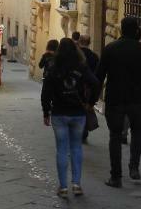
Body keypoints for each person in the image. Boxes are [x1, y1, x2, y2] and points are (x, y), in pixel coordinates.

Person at [96, 16, 141, 188]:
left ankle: (116, 176)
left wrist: (92, 99)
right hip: (137, 100)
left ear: (121, 30)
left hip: (115, 99)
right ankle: (134, 167)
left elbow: (99, 75)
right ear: (137, 30)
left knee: (115, 136)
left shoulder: (111, 49)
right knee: (138, 132)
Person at [41, 38, 100, 198]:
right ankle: (76, 184)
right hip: (78, 113)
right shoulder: (81, 66)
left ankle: (63, 187)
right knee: (76, 148)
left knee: (61, 150)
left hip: (59, 113)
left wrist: (46, 111)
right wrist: (90, 103)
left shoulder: (53, 67)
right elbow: (95, 83)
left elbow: (45, 91)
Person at [78, 34, 99, 143]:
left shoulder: (75, 54)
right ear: (89, 42)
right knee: (85, 109)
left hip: (76, 87)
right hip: (89, 87)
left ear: (79, 41)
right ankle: (84, 132)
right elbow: (97, 75)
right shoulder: (94, 56)